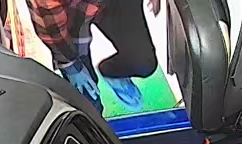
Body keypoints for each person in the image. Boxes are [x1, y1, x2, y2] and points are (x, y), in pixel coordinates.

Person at [26, 0, 160, 113]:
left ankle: (112, 73)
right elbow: (49, 24)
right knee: (89, 102)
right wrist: (69, 64)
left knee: (143, 63)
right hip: (72, 13)